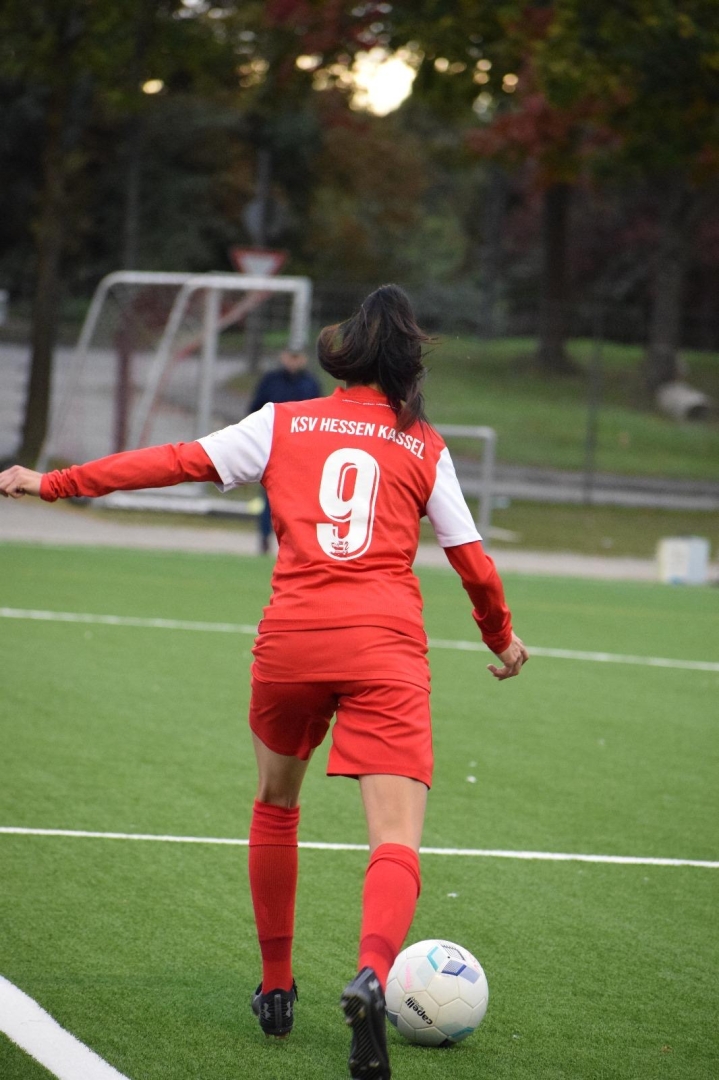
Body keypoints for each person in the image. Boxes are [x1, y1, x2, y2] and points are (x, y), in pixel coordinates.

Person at [0, 284, 528, 1080]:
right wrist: (501, 638)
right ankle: (372, 975)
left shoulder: (282, 421)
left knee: (276, 804)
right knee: (393, 838)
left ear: (344, 353)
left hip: (292, 645)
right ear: (407, 366)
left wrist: (54, 482)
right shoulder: (423, 445)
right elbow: (472, 564)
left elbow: (172, 461)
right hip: (384, 650)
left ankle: (276, 988)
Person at [247, 347, 322, 553]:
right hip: (273, 446)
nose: (293, 362)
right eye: (291, 357)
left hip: (302, 450)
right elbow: (254, 410)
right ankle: (265, 537)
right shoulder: (271, 381)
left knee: (301, 499)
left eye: (297, 358)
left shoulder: (311, 383)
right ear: (283, 357)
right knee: (269, 497)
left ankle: (296, 542)